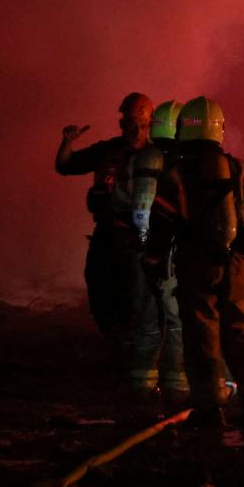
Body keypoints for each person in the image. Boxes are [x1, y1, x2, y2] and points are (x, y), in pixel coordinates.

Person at [146, 96, 244, 449]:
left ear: (183, 130)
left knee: (202, 334)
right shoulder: (239, 170)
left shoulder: (176, 175)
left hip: (197, 263)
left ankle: (210, 408)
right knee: (243, 332)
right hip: (239, 267)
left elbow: (160, 226)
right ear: (218, 129)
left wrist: (153, 263)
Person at [54, 92, 159, 390]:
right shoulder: (108, 150)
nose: (133, 131)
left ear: (150, 124)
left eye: (140, 125)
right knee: (100, 293)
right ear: (121, 123)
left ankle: (136, 366)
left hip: (138, 240)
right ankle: (119, 352)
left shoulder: (157, 157)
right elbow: (65, 165)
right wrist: (67, 142)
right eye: (128, 123)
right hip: (106, 235)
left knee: (136, 302)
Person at [129, 100, 189, 405]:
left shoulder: (147, 156)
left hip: (145, 250)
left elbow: (139, 206)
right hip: (166, 252)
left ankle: (142, 382)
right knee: (175, 317)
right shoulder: (175, 162)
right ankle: (176, 382)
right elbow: (148, 208)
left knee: (147, 317)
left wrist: (142, 246)